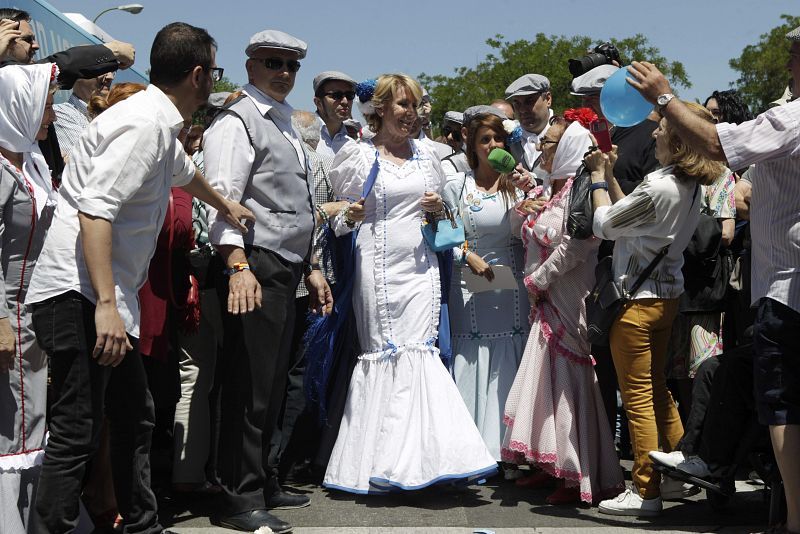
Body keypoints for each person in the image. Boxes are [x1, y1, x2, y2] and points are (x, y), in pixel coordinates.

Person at [25, 22, 253, 534]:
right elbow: (96, 211)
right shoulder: (143, 125)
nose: (214, 81)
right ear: (199, 74)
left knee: (134, 416)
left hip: (103, 295)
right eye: (214, 72)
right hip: (79, 293)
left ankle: (143, 526)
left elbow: (182, 172)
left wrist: (225, 204)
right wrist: (106, 304)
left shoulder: (156, 122)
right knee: (76, 430)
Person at [625, 26, 800, 532]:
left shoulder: (793, 116)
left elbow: (719, 145)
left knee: (784, 405)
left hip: (787, 292)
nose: (789, 64)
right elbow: (748, 198)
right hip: (776, 287)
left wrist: (663, 95)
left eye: (794, 54)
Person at [322, 73, 497, 494]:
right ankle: (380, 463)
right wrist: (350, 216)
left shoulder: (427, 157)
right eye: (402, 105)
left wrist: (437, 209)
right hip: (377, 269)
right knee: (385, 353)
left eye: (416, 106)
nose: (411, 114)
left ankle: (432, 460)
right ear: (380, 109)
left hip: (421, 269)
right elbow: (334, 218)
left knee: (422, 353)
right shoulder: (358, 156)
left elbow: (441, 226)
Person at [203, 29, 331, 534]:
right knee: (248, 386)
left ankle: (264, 477)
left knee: (274, 385)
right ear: (251, 65)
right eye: (272, 62)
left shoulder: (284, 123)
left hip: (289, 265)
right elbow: (224, 201)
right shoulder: (237, 121)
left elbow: (301, 205)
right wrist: (237, 266)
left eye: (290, 65)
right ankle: (240, 496)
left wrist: (314, 265)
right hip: (256, 262)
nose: (283, 72)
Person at [586, 102, 725, 516]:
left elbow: (606, 224)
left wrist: (596, 177)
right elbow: (634, 215)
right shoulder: (687, 184)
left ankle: (646, 490)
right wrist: (611, 176)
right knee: (659, 393)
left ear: (679, 141)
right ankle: (682, 474)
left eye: (662, 128)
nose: (653, 134)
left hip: (636, 302)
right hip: (665, 298)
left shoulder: (662, 186)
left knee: (638, 399)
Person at [501, 110, 624, 505]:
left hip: (568, 295)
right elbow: (549, 233)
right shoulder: (561, 188)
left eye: (550, 143)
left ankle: (577, 470)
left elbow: (579, 244)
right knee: (547, 383)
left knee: (570, 383)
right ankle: (549, 462)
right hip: (550, 298)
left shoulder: (582, 188)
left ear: (569, 146)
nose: (542, 149)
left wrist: (540, 279)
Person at [442, 106, 529, 463]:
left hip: (513, 283)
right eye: (485, 139)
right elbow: (443, 233)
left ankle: (513, 447)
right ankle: (473, 449)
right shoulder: (454, 186)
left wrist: (532, 193)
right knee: (474, 357)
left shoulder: (519, 184)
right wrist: (466, 255)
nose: (492, 145)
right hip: (469, 283)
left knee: (511, 352)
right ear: (472, 146)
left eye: (498, 138)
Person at [0, 62, 58, 534]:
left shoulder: (29, 158)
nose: (51, 115)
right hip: (8, 312)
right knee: (12, 424)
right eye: (45, 105)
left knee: (31, 419)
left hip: (33, 312)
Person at [0, 8, 135, 179]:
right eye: (27, 39)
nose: (36, 45)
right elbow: (61, 66)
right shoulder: (9, 76)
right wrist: (111, 51)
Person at [504, 74, 553, 182]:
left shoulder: (567, 134)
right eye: (517, 104)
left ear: (548, 99)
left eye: (529, 102)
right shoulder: (506, 139)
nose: (522, 110)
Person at [53, 71, 114, 156]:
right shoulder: (59, 113)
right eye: (103, 70)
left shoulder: (111, 117)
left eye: (113, 71)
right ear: (77, 76)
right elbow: (86, 162)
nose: (110, 77)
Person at [313, 70, 357, 158]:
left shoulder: (353, 144)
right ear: (318, 102)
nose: (345, 101)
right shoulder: (300, 136)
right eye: (336, 96)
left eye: (350, 95)